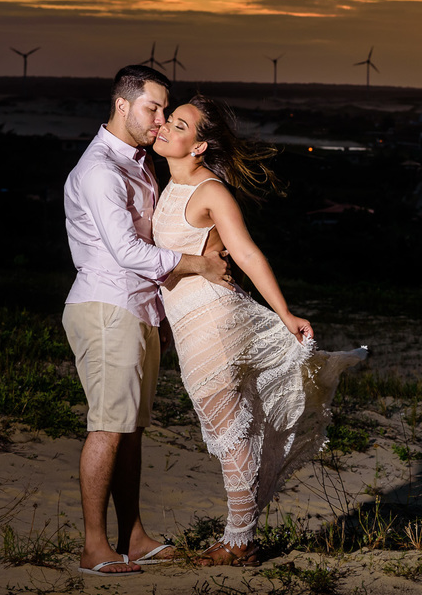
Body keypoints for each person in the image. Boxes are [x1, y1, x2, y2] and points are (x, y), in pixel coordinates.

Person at [152, 94, 367, 566]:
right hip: (187, 323)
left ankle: (239, 539)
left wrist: (286, 313)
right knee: (228, 428)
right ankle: (240, 535)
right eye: (168, 119)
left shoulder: (211, 191)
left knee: (230, 430)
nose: (165, 127)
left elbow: (246, 254)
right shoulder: (166, 185)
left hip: (213, 320)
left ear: (200, 146)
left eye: (179, 125)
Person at [63, 66, 233, 577]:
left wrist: (158, 313)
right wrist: (201, 264)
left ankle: (133, 537)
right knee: (107, 428)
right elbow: (128, 250)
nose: (160, 120)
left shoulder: (137, 162)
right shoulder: (100, 170)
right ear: (122, 105)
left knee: (130, 430)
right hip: (106, 306)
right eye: (152, 109)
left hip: (136, 309)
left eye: (165, 110)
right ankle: (95, 548)